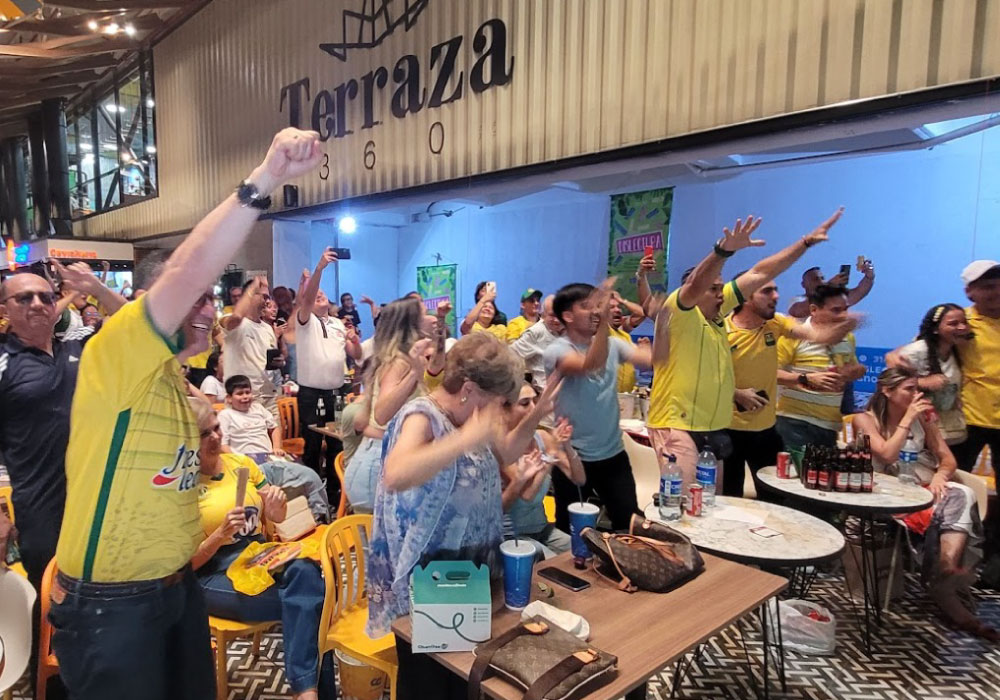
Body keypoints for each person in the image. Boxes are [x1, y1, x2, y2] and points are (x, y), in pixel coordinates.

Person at [51, 127, 324, 700]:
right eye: (198, 298)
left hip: (175, 589)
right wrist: (266, 177)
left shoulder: (174, 384)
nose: (210, 310)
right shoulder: (114, 354)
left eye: (211, 300)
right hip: (112, 602)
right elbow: (182, 274)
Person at [366, 333, 557, 700]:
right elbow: (396, 473)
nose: (500, 411)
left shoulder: (475, 415)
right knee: (430, 685)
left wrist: (538, 413)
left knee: (466, 679)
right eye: (498, 401)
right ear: (468, 388)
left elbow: (509, 449)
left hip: (471, 574)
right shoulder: (421, 416)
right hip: (429, 583)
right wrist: (464, 439)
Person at [647, 209, 845, 491]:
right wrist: (722, 251)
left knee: (709, 508)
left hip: (711, 427)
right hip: (675, 425)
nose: (721, 293)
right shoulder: (678, 312)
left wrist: (805, 243)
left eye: (721, 289)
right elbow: (696, 283)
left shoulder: (716, 315)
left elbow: (760, 272)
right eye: (714, 289)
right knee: (684, 509)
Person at [0, 261, 123, 700]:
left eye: (46, 296)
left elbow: (136, 326)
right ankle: (51, 689)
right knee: (53, 608)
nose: (38, 304)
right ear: (5, 308)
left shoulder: (79, 349)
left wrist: (96, 286)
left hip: (97, 504)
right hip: (41, 509)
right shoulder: (3, 363)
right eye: (24, 297)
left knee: (101, 601)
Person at [188, 398, 328, 700]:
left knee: (307, 572)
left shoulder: (241, 464)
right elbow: (186, 566)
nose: (215, 437)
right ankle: (310, 693)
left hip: (258, 555)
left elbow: (275, 517)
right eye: (204, 433)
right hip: (213, 573)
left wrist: (276, 507)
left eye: (216, 429)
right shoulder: (183, 486)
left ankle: (307, 692)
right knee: (315, 603)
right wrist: (220, 534)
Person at [851, 369, 992, 640]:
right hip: (887, 496)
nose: (916, 396)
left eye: (918, 390)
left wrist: (940, 476)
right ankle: (943, 584)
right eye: (909, 390)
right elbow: (887, 453)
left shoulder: (925, 420)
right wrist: (908, 419)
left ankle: (945, 565)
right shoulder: (864, 420)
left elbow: (948, 459)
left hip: (924, 489)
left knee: (961, 493)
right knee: (948, 504)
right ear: (887, 391)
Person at [722, 273, 855, 497]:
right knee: (728, 498)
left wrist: (844, 322)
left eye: (775, 290)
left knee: (775, 499)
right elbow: (706, 377)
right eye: (766, 291)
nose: (776, 296)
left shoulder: (776, 323)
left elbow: (816, 335)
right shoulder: (720, 330)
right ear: (744, 296)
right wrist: (736, 393)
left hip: (766, 430)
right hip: (727, 430)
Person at [544, 282, 655, 530]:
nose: (595, 311)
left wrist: (664, 320)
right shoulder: (557, 350)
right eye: (587, 307)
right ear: (567, 316)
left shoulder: (614, 344)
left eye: (597, 306)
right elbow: (588, 366)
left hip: (613, 454)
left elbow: (651, 361)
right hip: (573, 456)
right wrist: (605, 322)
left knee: (628, 524)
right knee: (572, 530)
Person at [343, 298, 435, 513]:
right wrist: (415, 372)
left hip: (382, 460)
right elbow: (382, 412)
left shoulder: (402, 358)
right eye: (425, 314)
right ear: (410, 324)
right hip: (377, 466)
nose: (431, 318)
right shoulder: (400, 362)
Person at [295, 247, 362, 489]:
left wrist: (354, 342)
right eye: (316, 294)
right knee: (312, 445)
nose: (320, 294)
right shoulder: (305, 321)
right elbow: (308, 297)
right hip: (312, 394)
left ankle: (336, 496)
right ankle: (314, 495)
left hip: (339, 392)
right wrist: (320, 268)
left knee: (338, 445)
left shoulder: (336, 323)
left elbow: (356, 355)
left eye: (324, 293)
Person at [775, 284, 866, 451]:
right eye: (836, 310)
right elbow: (769, 373)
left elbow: (854, 368)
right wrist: (806, 379)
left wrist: (855, 372)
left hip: (830, 426)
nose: (844, 315)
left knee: (822, 477)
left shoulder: (848, 338)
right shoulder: (794, 335)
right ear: (814, 310)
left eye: (846, 309)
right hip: (794, 422)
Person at [501, 382, 584, 558]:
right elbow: (527, 495)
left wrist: (567, 447)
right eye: (525, 403)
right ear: (506, 410)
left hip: (544, 529)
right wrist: (551, 457)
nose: (534, 408)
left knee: (586, 551)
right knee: (553, 564)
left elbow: (579, 478)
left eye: (535, 401)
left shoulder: (543, 437)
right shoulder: (502, 447)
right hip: (516, 536)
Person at [886, 304, 970, 447]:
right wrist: (922, 382)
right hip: (917, 433)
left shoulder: (959, 349)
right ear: (936, 328)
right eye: (953, 324)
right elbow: (888, 384)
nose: (962, 327)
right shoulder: (916, 351)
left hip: (949, 433)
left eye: (964, 322)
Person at [952, 261, 1000, 473]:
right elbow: (917, 352)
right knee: (953, 485)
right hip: (967, 420)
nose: (997, 291)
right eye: (989, 287)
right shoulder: (958, 322)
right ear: (969, 292)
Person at [222, 276, 281, 418]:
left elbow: (269, 362)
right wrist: (253, 286)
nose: (267, 301)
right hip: (244, 398)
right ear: (251, 295)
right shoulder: (233, 321)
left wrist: (278, 362)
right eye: (264, 296)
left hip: (268, 397)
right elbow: (236, 317)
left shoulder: (267, 328)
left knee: (274, 439)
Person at [219, 375, 286, 461]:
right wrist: (236, 459)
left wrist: (276, 448)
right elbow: (222, 445)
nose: (245, 396)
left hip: (267, 456)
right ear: (229, 398)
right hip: (242, 459)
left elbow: (274, 428)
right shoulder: (225, 415)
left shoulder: (258, 408)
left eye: (247, 392)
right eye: (240, 394)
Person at [787, 259, 876, 318]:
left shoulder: (833, 300)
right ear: (803, 284)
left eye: (822, 278)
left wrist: (869, 276)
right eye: (815, 279)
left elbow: (859, 292)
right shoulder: (797, 300)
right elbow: (799, 311)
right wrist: (828, 285)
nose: (820, 282)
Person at [511, 294, 562, 388]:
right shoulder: (535, 332)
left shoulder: (569, 330)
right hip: (545, 392)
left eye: (560, 314)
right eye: (552, 315)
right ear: (543, 314)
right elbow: (510, 356)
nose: (557, 320)